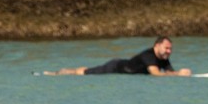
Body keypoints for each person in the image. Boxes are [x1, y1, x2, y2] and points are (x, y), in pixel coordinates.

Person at [46, 36, 191, 76]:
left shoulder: (163, 58)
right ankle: (62, 72)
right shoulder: (149, 56)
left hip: (121, 68)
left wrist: (179, 73)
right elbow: (156, 74)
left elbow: (169, 73)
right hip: (115, 67)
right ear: (157, 46)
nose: (169, 51)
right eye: (166, 48)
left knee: (87, 71)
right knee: (85, 73)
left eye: (170, 49)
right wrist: (179, 74)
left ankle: (66, 71)